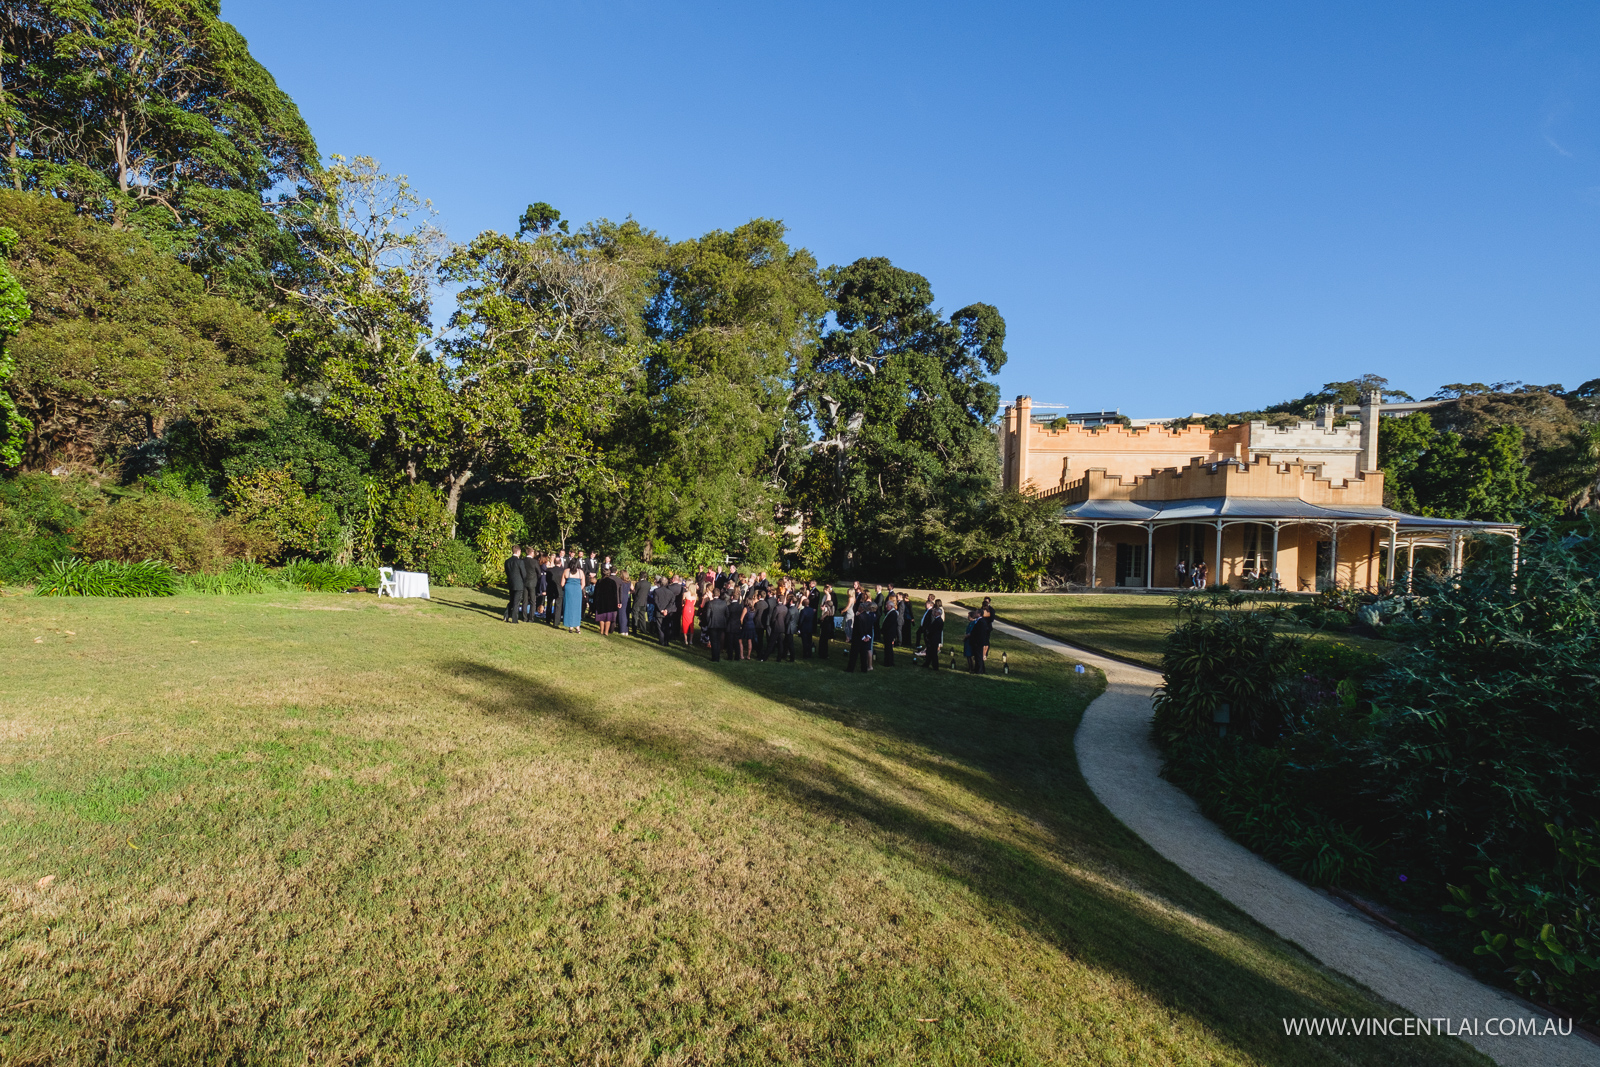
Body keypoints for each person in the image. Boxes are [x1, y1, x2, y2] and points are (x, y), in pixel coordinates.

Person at [847, 599, 877, 672]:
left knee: (854, 654)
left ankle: (850, 669)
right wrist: (868, 636)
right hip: (866, 637)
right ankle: (864, 668)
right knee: (863, 654)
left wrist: (863, 636)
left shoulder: (859, 617)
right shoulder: (869, 616)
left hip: (858, 638)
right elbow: (870, 627)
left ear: (862, 608)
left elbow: (859, 628)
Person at [592, 569, 620, 635]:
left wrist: (595, 602)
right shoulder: (612, 582)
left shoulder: (599, 581)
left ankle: (601, 631)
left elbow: (596, 593)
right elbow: (615, 594)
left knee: (601, 617)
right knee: (608, 618)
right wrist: (615, 603)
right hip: (610, 602)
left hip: (601, 601)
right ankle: (606, 632)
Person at [560, 557, 585, 633]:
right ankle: (577, 627)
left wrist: (567, 588)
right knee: (577, 608)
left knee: (568, 607)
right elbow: (583, 584)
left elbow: (562, 583)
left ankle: (570, 627)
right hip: (577, 590)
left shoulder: (566, 571)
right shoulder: (581, 572)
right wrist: (578, 589)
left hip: (568, 589)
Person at [503, 547, 526, 623]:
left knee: (512, 600)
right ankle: (514, 619)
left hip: (511, 583)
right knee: (516, 602)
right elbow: (524, 574)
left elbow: (507, 572)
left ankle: (506, 615)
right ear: (518, 551)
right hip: (519, 584)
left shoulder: (507, 561)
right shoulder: (520, 562)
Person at [706, 588, 730, 661]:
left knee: (714, 641)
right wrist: (724, 621)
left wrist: (708, 622)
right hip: (721, 624)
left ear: (713, 594)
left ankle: (714, 657)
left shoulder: (710, 603)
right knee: (718, 641)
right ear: (719, 594)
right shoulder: (723, 603)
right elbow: (727, 614)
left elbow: (707, 615)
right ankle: (717, 657)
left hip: (713, 624)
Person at [970, 606, 995, 673]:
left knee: (979, 656)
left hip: (978, 642)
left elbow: (980, 633)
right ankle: (978, 669)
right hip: (977, 641)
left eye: (976, 613)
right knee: (977, 656)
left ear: (979, 614)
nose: (974, 614)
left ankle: (979, 670)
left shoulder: (981, 622)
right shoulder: (979, 621)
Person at [922, 600, 944, 668]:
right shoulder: (938, 620)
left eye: (934, 612)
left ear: (937, 613)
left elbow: (933, 629)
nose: (933, 613)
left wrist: (928, 632)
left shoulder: (938, 621)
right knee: (930, 652)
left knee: (933, 653)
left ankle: (935, 665)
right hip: (934, 638)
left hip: (934, 638)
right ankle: (927, 663)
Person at [880, 595, 900, 667]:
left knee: (888, 648)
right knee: (888, 648)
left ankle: (888, 662)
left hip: (889, 633)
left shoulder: (893, 613)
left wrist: (882, 630)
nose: (886, 607)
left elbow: (888, 624)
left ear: (891, 606)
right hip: (889, 633)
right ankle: (888, 661)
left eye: (887, 606)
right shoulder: (891, 613)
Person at [737, 593, 758, 661]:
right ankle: (748, 656)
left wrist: (741, 625)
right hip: (752, 625)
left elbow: (741, 618)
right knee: (749, 640)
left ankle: (742, 655)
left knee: (740, 640)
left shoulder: (746, 609)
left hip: (746, 625)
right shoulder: (753, 609)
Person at [681, 579, 699, 645]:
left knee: (684, 623)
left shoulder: (685, 594)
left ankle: (685, 639)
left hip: (686, 608)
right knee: (691, 624)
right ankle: (691, 640)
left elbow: (682, 603)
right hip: (691, 609)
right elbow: (694, 604)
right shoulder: (695, 595)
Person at [816, 592, 834, 659]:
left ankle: (822, 654)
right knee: (825, 641)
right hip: (829, 626)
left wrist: (820, 619)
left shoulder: (827, 612)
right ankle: (825, 654)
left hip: (825, 626)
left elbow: (821, 618)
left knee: (822, 640)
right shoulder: (832, 611)